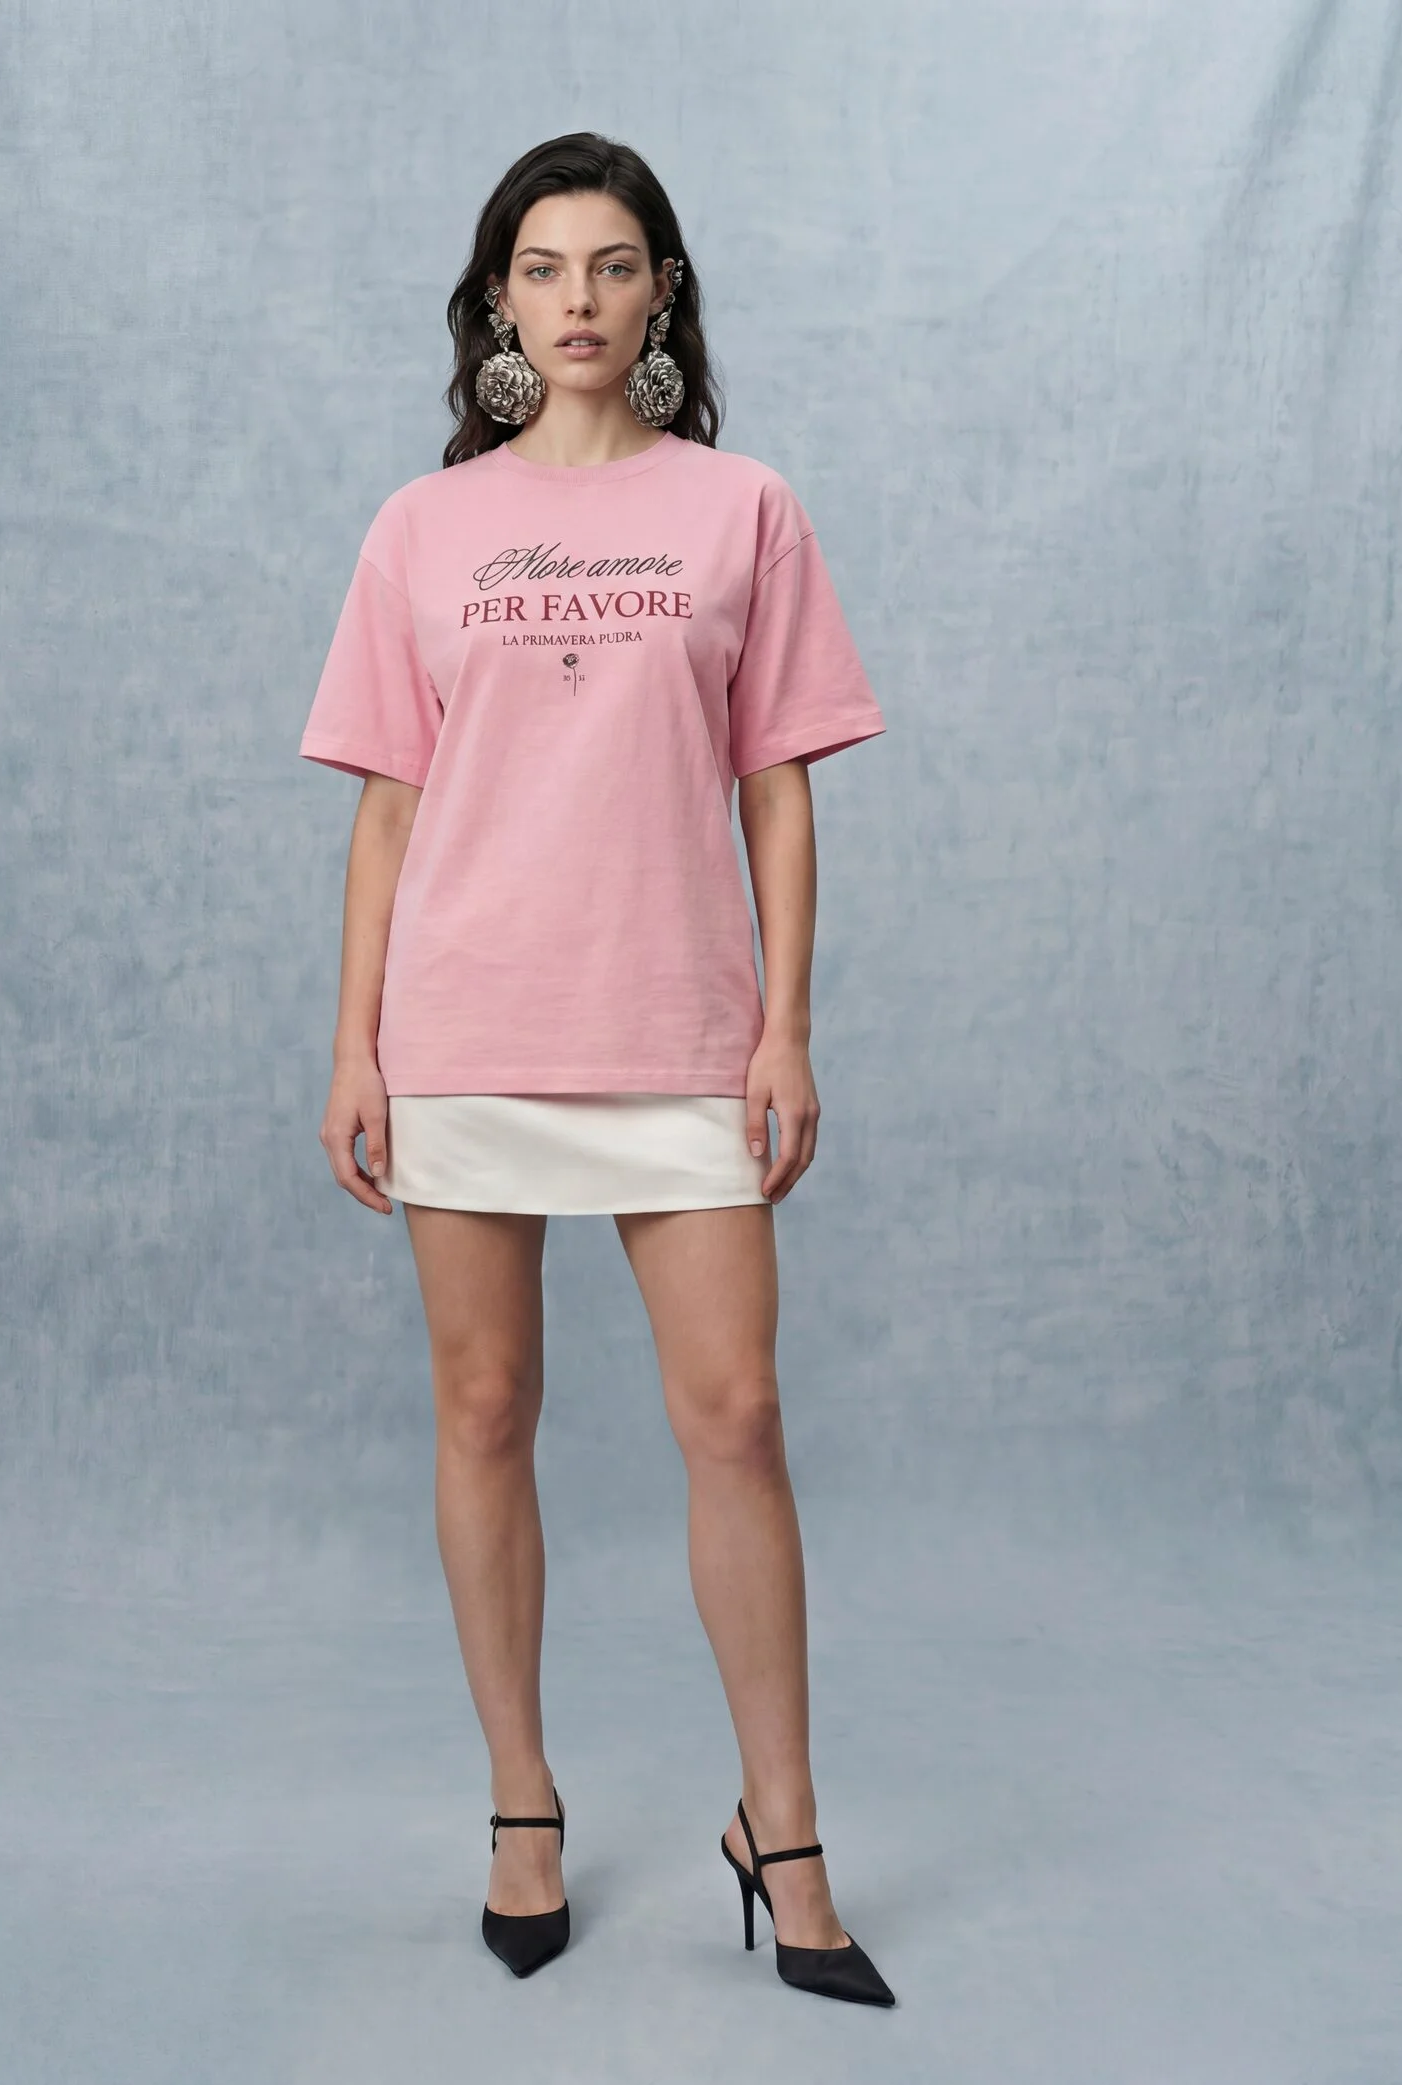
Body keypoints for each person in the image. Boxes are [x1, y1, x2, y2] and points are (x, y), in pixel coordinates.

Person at [300, 131, 895, 2008]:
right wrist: (353, 1047)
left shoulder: (744, 509)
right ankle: (521, 1805)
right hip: (466, 1027)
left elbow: (776, 789)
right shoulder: (422, 528)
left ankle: (782, 1829)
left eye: (614, 266)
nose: (579, 300)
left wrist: (786, 1024)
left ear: (661, 295)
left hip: (678, 1032)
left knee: (739, 1420)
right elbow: (389, 813)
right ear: (499, 301)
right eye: (544, 269)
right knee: (484, 1412)